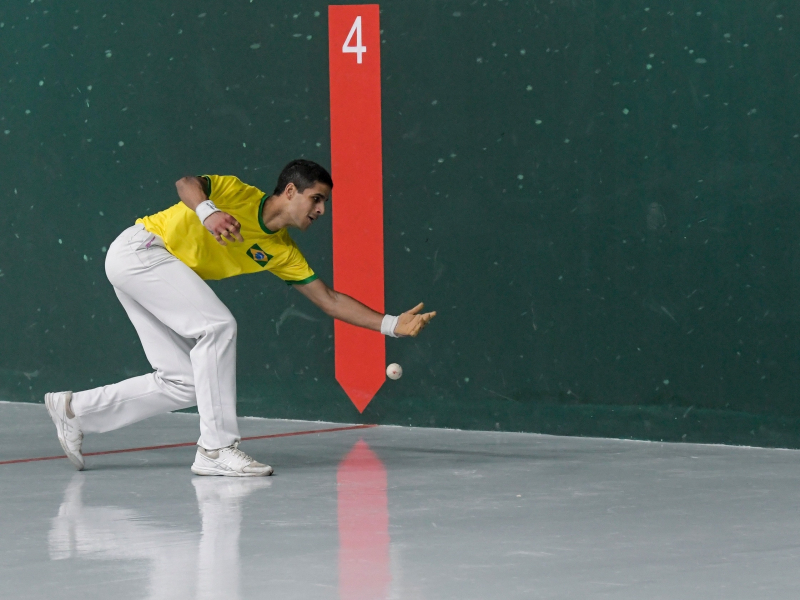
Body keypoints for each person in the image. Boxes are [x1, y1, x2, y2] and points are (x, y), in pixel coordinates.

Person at [45, 159, 436, 476]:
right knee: (217, 326)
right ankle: (216, 449)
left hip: (146, 270)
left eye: (325, 205)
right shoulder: (236, 192)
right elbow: (185, 183)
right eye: (316, 199)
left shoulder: (282, 252)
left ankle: (75, 411)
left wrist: (390, 325)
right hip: (141, 250)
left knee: (183, 382)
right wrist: (208, 212)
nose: (321, 210)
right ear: (289, 191)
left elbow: (330, 300)